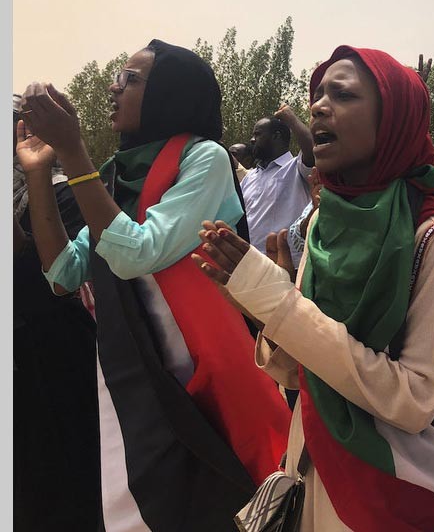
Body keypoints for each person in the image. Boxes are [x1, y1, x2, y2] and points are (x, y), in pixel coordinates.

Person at [196, 45, 434, 531]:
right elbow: (298, 375)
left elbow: (415, 400)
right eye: (318, 96)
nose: (318, 107)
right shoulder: (322, 226)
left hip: (392, 495)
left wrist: (278, 302)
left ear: (392, 120)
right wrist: (258, 305)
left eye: (343, 95)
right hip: (313, 473)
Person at [17, 40, 291, 531]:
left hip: (203, 377)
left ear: (171, 93)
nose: (113, 88)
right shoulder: (116, 176)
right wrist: (39, 172)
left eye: (130, 79)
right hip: (141, 379)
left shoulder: (203, 159)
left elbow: (137, 254)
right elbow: (63, 273)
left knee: (223, 497)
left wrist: (74, 152)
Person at [13, 94, 100, 531]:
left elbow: (54, 278)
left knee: (64, 488)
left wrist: (36, 176)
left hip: (57, 359)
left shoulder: (64, 193)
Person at [241, 107, 315, 267]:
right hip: (250, 262)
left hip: (287, 264)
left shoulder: (296, 168)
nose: (252, 140)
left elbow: (312, 150)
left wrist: (291, 119)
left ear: (276, 136)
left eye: (258, 134)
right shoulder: (250, 177)